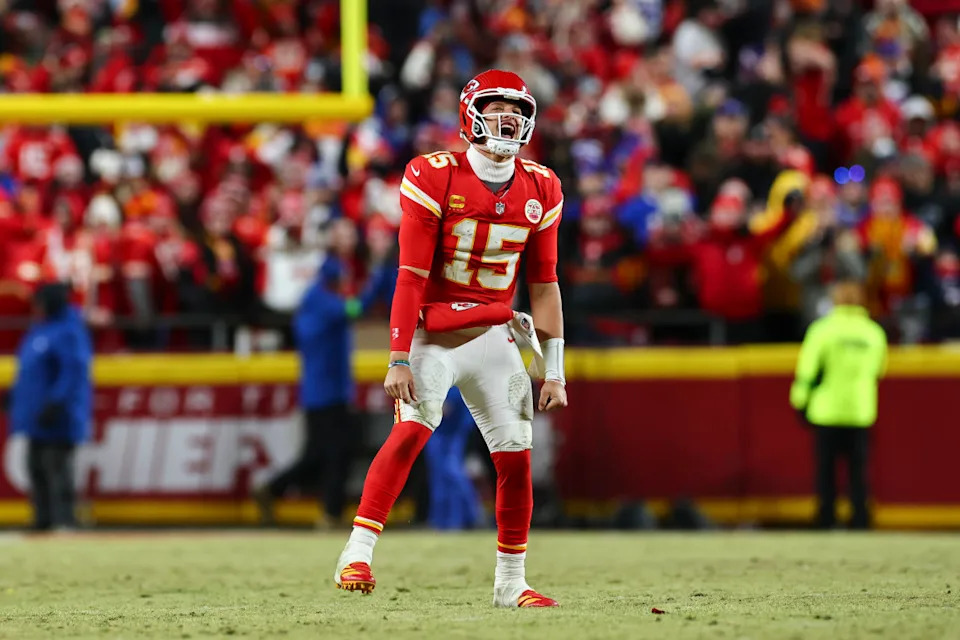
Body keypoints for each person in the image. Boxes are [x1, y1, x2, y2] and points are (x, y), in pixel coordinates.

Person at [333, 69, 567, 608]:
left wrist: (553, 370)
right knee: (414, 429)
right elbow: (411, 274)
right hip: (432, 333)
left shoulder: (543, 185)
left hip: (494, 334)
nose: (509, 117)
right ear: (470, 113)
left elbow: (546, 283)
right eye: (496, 106)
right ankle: (356, 552)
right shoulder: (432, 173)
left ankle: (511, 584)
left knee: (516, 456)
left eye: (517, 109)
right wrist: (397, 357)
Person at [254, 255, 394, 527]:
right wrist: (378, 279)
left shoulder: (316, 299)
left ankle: (276, 491)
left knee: (321, 454)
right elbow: (356, 308)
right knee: (334, 454)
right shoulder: (323, 301)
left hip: (324, 393)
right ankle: (327, 511)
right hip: (327, 395)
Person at [790, 280, 888, 529]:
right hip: (860, 411)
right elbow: (879, 370)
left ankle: (826, 519)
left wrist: (800, 401)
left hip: (826, 411)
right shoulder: (873, 333)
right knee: (859, 472)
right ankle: (860, 519)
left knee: (826, 471)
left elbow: (807, 370)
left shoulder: (822, 330)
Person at [6, 282, 93, 531]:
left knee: (58, 469)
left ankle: (64, 520)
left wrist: (57, 401)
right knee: (35, 468)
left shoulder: (69, 331)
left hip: (59, 416)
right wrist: (15, 397)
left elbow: (73, 371)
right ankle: (42, 520)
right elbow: (29, 371)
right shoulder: (38, 330)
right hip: (35, 416)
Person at [425, 388, 483, 530]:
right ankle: (441, 521)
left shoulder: (455, 385)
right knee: (440, 480)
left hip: (454, 434)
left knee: (454, 475)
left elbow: (447, 409)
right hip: (438, 432)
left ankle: (467, 517)